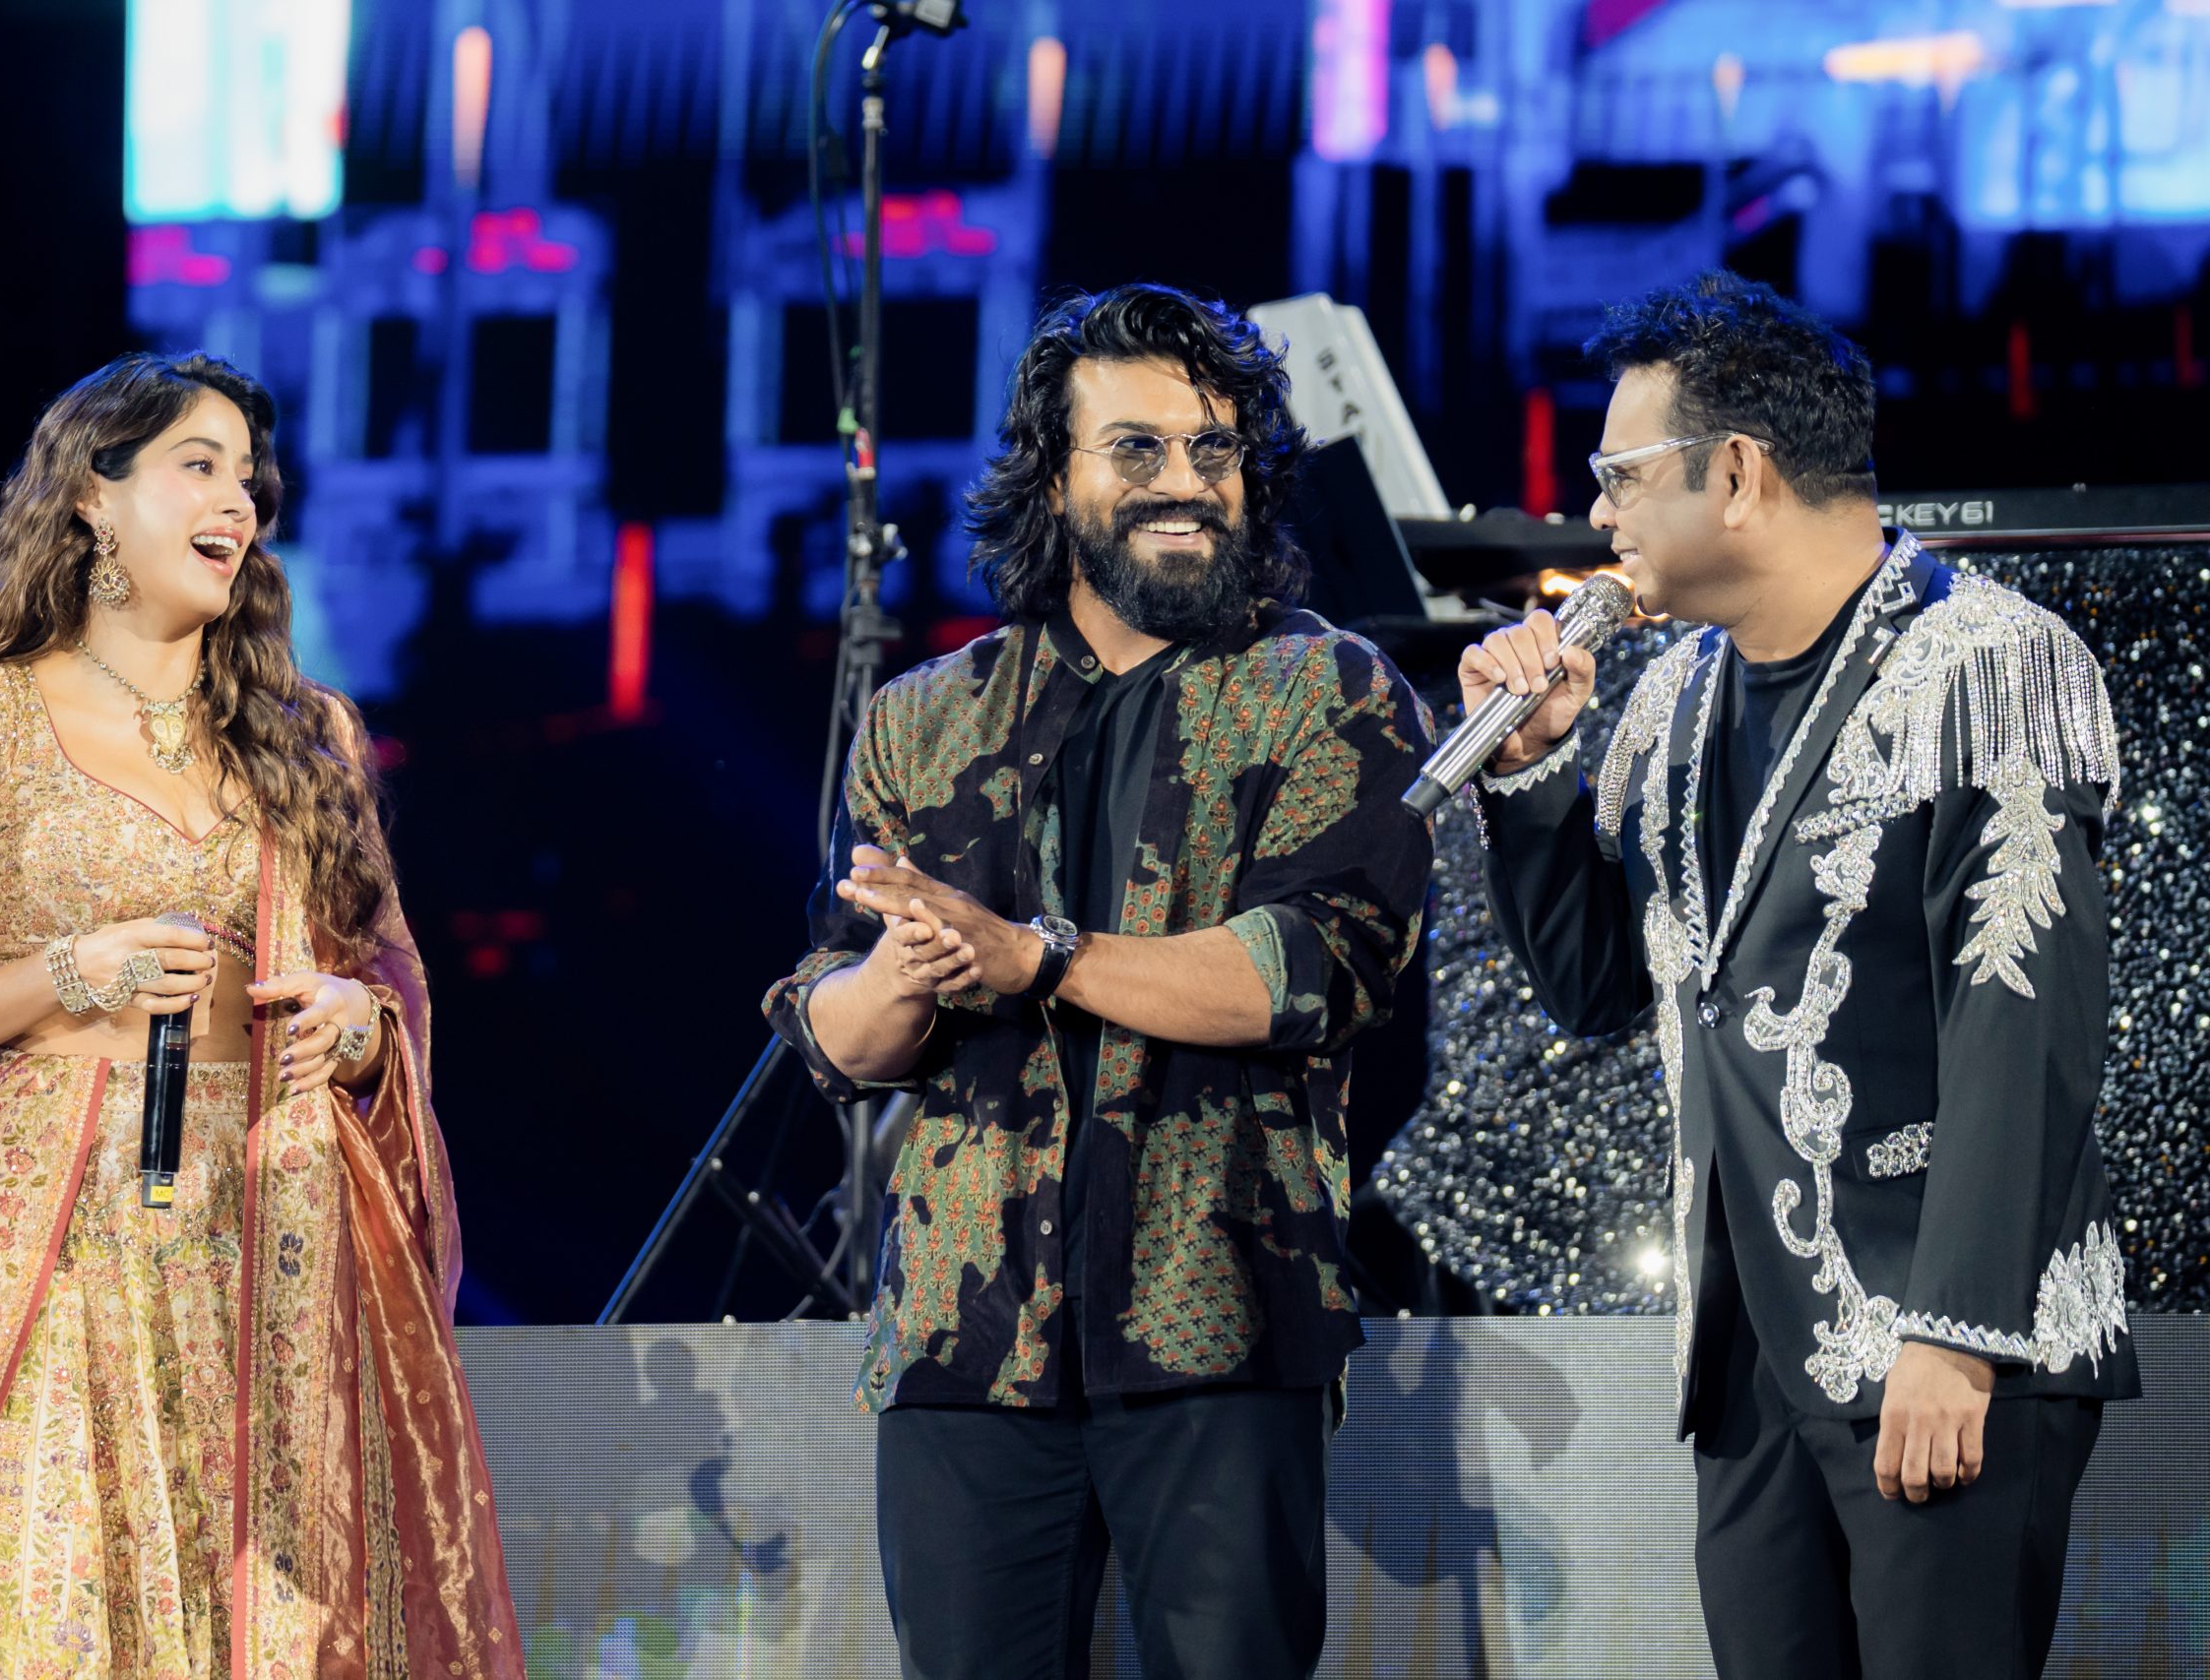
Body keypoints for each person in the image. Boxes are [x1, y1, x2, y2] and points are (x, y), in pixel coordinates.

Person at [0, 353, 522, 1679]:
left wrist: (359, 1026)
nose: (240, 503)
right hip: (52, 1245)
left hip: (275, 1239)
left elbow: (387, 978)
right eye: (197, 467)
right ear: (92, 498)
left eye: (250, 478)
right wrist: (67, 974)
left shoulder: (308, 738)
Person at [1462, 272, 2137, 1678]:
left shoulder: (1987, 661)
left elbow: (2023, 1018)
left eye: (1620, 476)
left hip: (1943, 1334)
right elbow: (1598, 987)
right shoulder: (1670, 700)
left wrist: (1957, 1336)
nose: (1597, 514)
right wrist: (1527, 779)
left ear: (1737, 473)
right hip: (1749, 1359)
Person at [761, 282, 1437, 1680]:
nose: (1185, 482)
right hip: (965, 1340)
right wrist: (910, 970)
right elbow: (838, 1030)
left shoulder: (1332, 691)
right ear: (1051, 474)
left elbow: (1310, 970)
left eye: (1213, 449)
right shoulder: (924, 718)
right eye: (1137, 449)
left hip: (1222, 1319)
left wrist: (1033, 956)